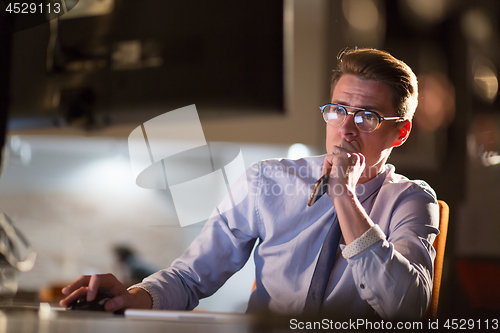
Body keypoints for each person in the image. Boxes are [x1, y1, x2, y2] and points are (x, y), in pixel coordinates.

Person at [60, 48, 439, 320]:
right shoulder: (268, 180)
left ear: (400, 132)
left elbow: (406, 309)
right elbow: (191, 277)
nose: (346, 127)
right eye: (338, 110)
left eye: (367, 117)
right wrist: (130, 297)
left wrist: (343, 195)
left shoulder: (411, 200)